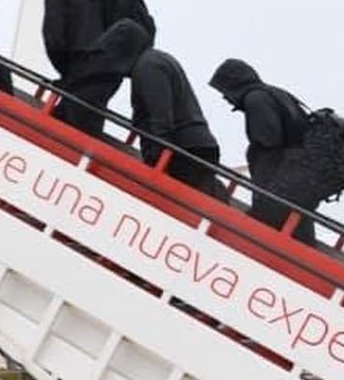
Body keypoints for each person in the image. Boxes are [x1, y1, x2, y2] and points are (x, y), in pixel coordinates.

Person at [96, 20, 222, 196]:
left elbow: (161, 115)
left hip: (181, 149)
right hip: (192, 144)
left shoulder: (147, 67)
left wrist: (157, 157)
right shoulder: (155, 60)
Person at [209, 59, 318, 244]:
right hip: (296, 181)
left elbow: (267, 141)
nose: (224, 97)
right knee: (299, 233)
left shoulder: (256, 99)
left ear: (233, 84)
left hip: (277, 183)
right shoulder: (277, 94)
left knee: (264, 234)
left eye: (224, 90)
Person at [40, 0, 118, 136]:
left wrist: (66, 73)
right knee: (89, 130)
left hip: (79, 73)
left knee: (63, 133)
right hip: (106, 74)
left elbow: (54, 40)